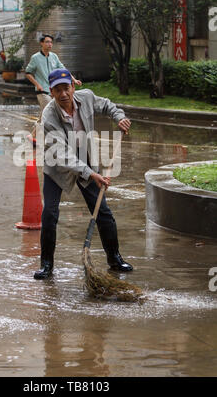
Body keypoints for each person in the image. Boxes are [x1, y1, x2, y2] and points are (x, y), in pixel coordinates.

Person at [34, 68, 133, 280]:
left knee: (103, 212)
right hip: (58, 166)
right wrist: (90, 174)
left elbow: (107, 105)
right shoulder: (49, 115)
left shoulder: (86, 98)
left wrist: (120, 117)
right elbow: (61, 154)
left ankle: (114, 258)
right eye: (57, 90)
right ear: (51, 92)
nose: (63, 94)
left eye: (66, 88)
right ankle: (47, 264)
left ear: (73, 86)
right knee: (50, 214)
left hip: (85, 158)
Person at [25, 34, 82, 144]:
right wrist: (37, 84)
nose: (49, 44)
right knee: (49, 111)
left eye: (51, 42)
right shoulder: (35, 58)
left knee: (45, 114)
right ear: (41, 43)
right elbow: (28, 73)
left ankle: (33, 136)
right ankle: (50, 137)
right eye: (47, 42)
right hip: (42, 91)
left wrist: (74, 80)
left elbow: (63, 70)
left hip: (54, 90)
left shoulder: (54, 56)